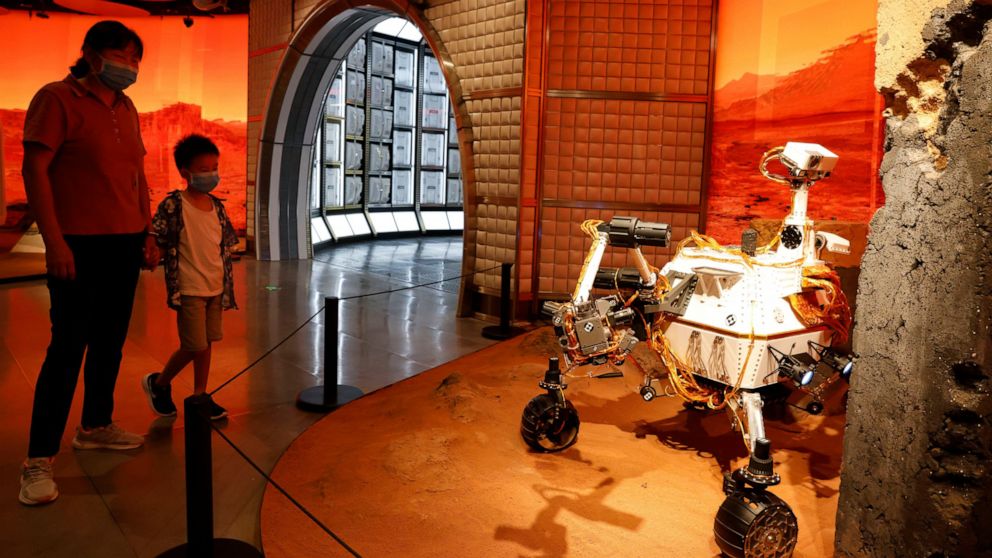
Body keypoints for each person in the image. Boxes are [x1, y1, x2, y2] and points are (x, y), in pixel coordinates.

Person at [19, 21, 159, 506]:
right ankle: (38, 460)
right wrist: (53, 243)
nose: (130, 65)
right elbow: (34, 170)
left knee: (110, 343)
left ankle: (96, 424)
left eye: (136, 57)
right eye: (122, 54)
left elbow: (137, 173)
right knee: (67, 348)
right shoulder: (57, 99)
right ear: (92, 54)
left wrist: (146, 230)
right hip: (78, 244)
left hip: (124, 243)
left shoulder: (127, 106)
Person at [142, 134, 238, 421]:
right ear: (186, 172)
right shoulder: (174, 205)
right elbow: (158, 237)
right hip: (189, 288)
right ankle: (158, 383)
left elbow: (224, 243)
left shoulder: (217, 206)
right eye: (205, 168)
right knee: (194, 344)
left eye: (215, 167)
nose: (212, 174)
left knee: (206, 342)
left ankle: (199, 394)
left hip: (215, 288)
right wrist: (152, 253)